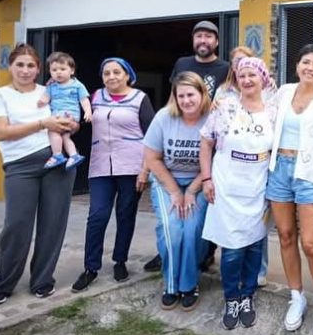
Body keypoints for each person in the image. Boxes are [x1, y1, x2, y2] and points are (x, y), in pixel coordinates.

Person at [0, 44, 78, 305]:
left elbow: (70, 121)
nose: (25, 70)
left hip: (56, 163)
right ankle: (3, 284)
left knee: (52, 225)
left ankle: (42, 280)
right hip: (20, 166)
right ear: (11, 66)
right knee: (17, 226)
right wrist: (41, 123)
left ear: (38, 69)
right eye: (20, 65)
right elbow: (1, 132)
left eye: (31, 66)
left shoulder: (51, 90)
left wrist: (71, 124)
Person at [144, 20, 230, 274]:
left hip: (209, 138)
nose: (203, 41)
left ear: (216, 41)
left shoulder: (225, 68)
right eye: (199, 36)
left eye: (208, 36)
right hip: (182, 136)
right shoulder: (182, 64)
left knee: (200, 220)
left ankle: (204, 255)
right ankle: (170, 254)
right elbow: (174, 96)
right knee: (173, 223)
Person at [200, 57, 275, 330]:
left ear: (263, 78)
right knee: (231, 250)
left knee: (254, 247)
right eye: (241, 76)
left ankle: (247, 296)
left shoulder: (274, 111)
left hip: (258, 189)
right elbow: (206, 142)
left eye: (252, 75)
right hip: (227, 187)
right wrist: (206, 178)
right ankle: (231, 298)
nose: (246, 80)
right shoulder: (225, 107)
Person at [267, 44, 313, 335]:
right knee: (285, 236)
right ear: (297, 65)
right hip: (278, 170)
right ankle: (296, 297)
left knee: (310, 243)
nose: (310, 68)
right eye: (306, 62)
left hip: (309, 173)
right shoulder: (283, 92)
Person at [71, 58, 156, 293]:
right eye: (106, 73)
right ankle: (91, 268)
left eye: (117, 72)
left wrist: (145, 169)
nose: (111, 76)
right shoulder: (95, 97)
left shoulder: (140, 98)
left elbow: (152, 135)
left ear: (127, 75)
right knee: (97, 215)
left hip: (131, 167)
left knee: (125, 215)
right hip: (100, 166)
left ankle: (120, 261)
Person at [144, 72, 212, 311]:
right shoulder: (164, 117)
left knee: (193, 229)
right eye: (181, 96)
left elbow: (216, 159)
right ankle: (171, 284)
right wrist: (174, 191)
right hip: (167, 181)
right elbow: (151, 158)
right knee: (172, 229)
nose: (186, 100)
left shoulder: (212, 119)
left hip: (199, 182)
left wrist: (192, 190)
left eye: (191, 94)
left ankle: (189, 283)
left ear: (202, 94)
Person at [213, 44, 277, 287]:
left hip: (258, 172)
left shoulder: (270, 91)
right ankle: (232, 277)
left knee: (257, 226)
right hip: (230, 170)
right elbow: (213, 132)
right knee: (230, 228)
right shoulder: (223, 92)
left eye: (246, 62)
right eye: (237, 63)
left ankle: (258, 272)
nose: (244, 71)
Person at [38, 51, 92, 169]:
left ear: (71, 70)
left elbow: (84, 100)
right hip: (62, 115)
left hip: (68, 114)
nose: (58, 72)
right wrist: (41, 102)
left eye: (62, 69)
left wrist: (88, 111)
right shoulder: (51, 86)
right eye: (54, 70)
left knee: (53, 131)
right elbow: (45, 98)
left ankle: (57, 155)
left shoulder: (77, 85)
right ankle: (73, 155)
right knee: (65, 136)